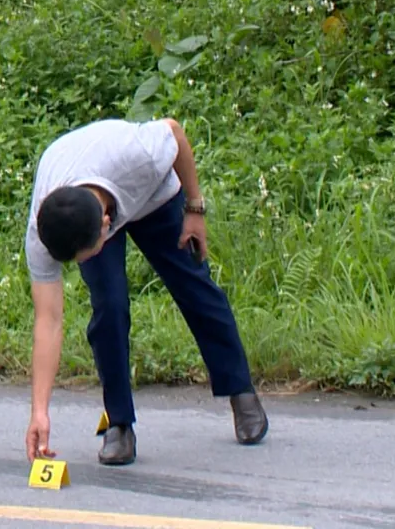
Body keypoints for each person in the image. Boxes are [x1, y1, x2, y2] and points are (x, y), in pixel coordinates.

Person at [22, 117, 268, 466]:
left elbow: (175, 131)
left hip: (151, 194)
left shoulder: (140, 154)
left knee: (194, 284)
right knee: (109, 306)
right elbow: (48, 320)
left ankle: (240, 391)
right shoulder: (45, 230)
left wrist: (194, 208)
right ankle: (119, 424)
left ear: (106, 226)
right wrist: (40, 413)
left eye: (85, 256)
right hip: (88, 192)